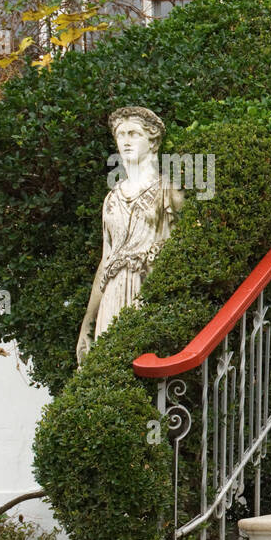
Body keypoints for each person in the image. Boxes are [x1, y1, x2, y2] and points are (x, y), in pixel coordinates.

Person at [76, 106, 183, 364]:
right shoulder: (112, 198)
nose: (125, 140)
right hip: (111, 297)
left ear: (153, 140)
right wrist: (87, 324)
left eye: (134, 133)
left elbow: (180, 254)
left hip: (148, 291)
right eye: (120, 134)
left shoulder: (168, 191)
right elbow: (106, 261)